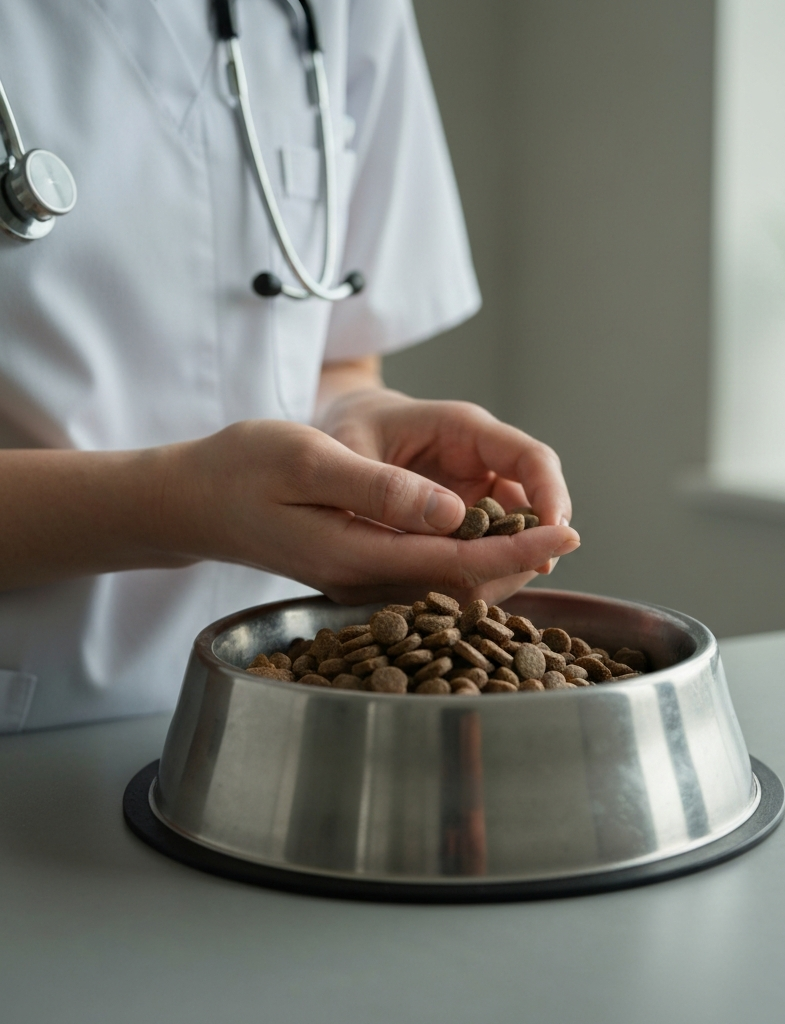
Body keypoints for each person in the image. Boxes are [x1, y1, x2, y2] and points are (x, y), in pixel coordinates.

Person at [0, 0, 579, 733]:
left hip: (291, 719)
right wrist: (173, 505)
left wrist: (357, 417)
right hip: (28, 735)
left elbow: (338, 351)